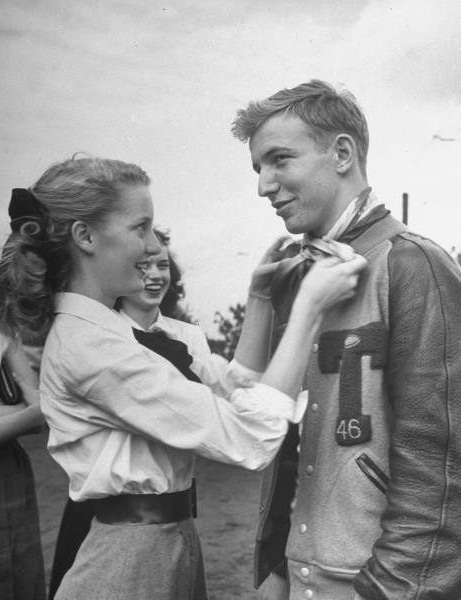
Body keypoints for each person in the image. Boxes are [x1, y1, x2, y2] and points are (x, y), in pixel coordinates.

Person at [0, 157, 365, 600]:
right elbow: (249, 438)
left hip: (164, 545)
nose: (153, 246)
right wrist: (309, 309)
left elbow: (223, 391)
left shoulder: (113, 332)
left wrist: (261, 299)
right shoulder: (89, 346)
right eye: (141, 227)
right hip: (128, 561)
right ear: (86, 236)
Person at [231, 79, 461, 600]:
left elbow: (443, 473)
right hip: (297, 578)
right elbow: (289, 442)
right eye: (258, 169)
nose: (264, 186)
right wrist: (276, 568)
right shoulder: (293, 279)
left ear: (341, 153)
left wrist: (387, 591)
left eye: (279, 160)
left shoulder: (412, 263)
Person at [47, 228, 196, 599]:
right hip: (114, 508)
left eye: (163, 264)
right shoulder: (98, 341)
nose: (155, 275)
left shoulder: (185, 338)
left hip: (172, 508)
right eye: (143, 265)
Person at [0, 296, 46, 600]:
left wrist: (9, 333)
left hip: (9, 472)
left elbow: (39, 409)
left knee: (18, 579)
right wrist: (21, 413)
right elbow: (32, 412)